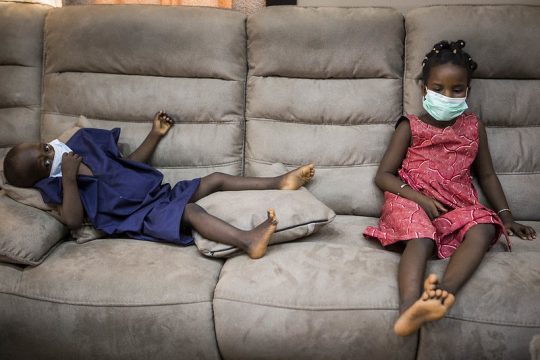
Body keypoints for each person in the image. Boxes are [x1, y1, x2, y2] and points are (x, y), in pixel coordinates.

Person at [363, 40, 536, 337]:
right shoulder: (411, 126)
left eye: (457, 90)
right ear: (423, 90)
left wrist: (506, 217)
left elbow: (487, 175)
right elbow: (384, 175)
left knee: (483, 228)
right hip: (411, 199)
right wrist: (419, 199)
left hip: (455, 204)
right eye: (438, 88)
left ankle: (441, 295)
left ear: (468, 91)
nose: (447, 96)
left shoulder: (473, 127)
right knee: (421, 239)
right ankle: (408, 308)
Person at [3, 111, 315, 259]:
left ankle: (280, 181)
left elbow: (132, 164)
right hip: (138, 217)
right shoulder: (57, 186)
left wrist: (155, 134)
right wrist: (69, 179)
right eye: (44, 161)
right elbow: (72, 220)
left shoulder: (84, 142)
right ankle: (248, 241)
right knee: (191, 211)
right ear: (42, 177)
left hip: (158, 196)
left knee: (216, 179)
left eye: (45, 146)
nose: (50, 153)